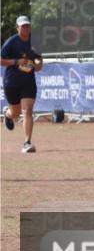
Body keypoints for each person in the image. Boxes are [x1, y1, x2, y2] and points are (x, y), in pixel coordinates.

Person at [2, 16, 43, 153]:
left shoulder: (35, 41)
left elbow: (39, 64)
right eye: (23, 26)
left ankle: (27, 142)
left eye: (27, 25)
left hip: (28, 82)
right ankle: (7, 114)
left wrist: (35, 65)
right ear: (17, 27)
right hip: (12, 81)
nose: (25, 28)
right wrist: (16, 62)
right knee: (15, 113)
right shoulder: (11, 42)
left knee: (28, 110)